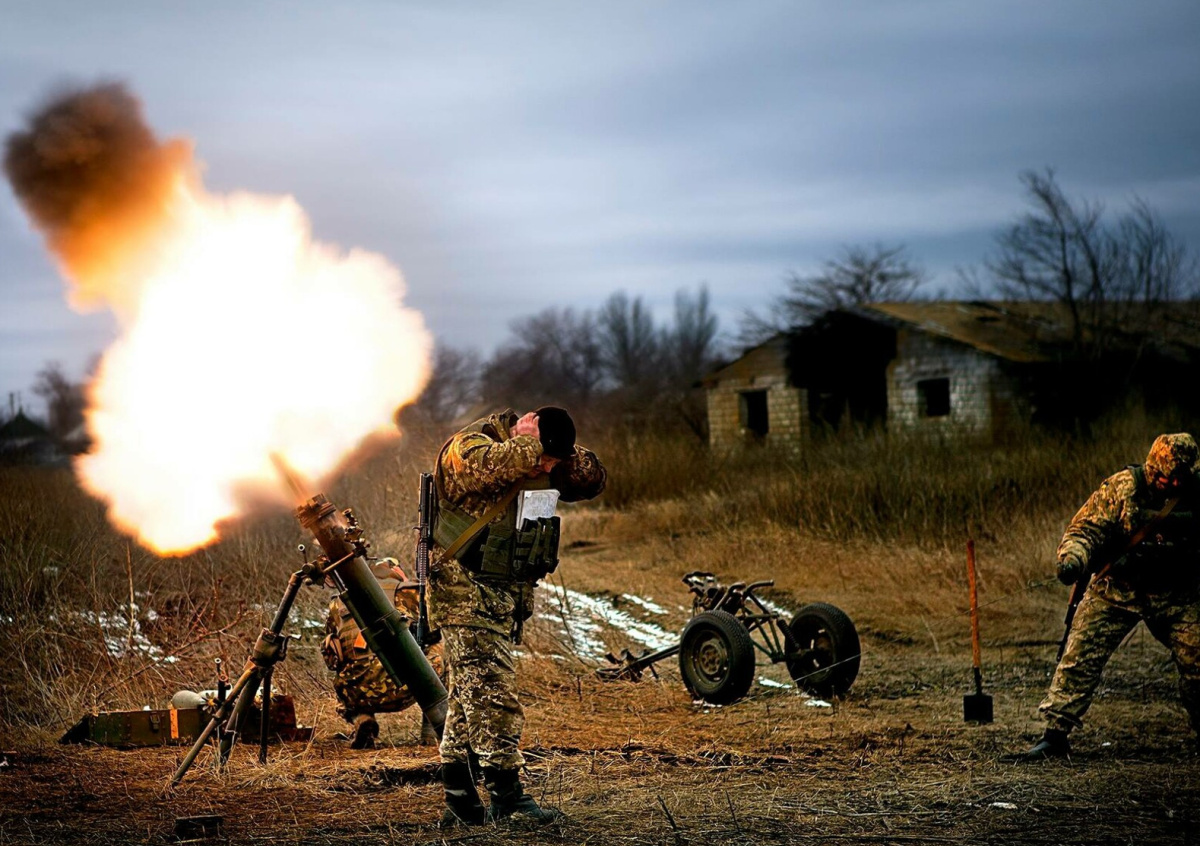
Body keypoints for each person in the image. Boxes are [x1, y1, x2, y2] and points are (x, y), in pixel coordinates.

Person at [428, 406, 605, 826]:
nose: (545, 469)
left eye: (550, 462)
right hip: (465, 593)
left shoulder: (538, 457)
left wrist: (557, 456)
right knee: (493, 696)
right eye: (542, 458)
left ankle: (460, 801)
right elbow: (487, 467)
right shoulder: (469, 447)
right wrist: (527, 447)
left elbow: (590, 481)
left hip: (499, 598)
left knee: (468, 698)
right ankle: (507, 799)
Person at [1017, 433, 1200, 760]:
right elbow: (1084, 531)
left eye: (1179, 478)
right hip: (1118, 588)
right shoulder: (1121, 489)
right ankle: (1055, 736)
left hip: (1177, 594)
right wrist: (1073, 560)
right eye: (1166, 476)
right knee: (1080, 654)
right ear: (1152, 469)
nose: (1172, 483)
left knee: (1197, 661)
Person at [321, 557, 444, 749]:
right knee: (440, 647)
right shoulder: (409, 592)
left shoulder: (339, 602)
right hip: (403, 688)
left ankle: (362, 718)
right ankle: (432, 729)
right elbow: (432, 633)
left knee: (344, 657)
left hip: (354, 693)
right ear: (396, 572)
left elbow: (332, 649)